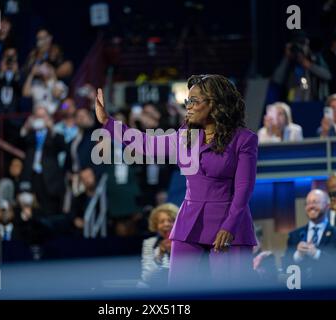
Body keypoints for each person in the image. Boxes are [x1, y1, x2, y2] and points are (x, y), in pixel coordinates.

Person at [95, 74, 258, 286]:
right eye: (187, 101)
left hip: (230, 223)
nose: (188, 106)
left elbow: (244, 188)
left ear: (215, 104)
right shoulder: (185, 136)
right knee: (179, 290)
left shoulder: (244, 139)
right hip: (190, 222)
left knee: (231, 291)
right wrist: (108, 123)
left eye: (194, 101)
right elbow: (145, 144)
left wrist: (229, 226)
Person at [284, 189, 336, 283]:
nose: (311, 206)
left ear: (327, 206)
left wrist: (316, 254)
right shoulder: (294, 236)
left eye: (315, 202)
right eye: (308, 203)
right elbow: (284, 266)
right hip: (301, 292)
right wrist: (297, 255)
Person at [20, 106, 66, 216]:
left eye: (43, 116)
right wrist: (26, 127)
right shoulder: (30, 134)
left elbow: (62, 146)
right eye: (37, 116)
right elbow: (19, 142)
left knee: (50, 210)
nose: (40, 119)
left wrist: (52, 128)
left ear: (49, 118)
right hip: (32, 176)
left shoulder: (54, 134)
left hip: (50, 178)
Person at [272, 33, 331, 102]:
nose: (301, 48)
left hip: (314, 102)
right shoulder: (289, 62)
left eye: (304, 44)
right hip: (294, 102)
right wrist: (287, 57)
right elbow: (277, 80)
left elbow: (328, 76)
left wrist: (308, 65)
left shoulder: (316, 59)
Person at [138, 203, 178, 288]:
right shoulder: (149, 243)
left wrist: (173, 252)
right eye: (162, 221)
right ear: (156, 225)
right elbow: (148, 277)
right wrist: (160, 254)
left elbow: (185, 274)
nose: (166, 224)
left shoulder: (184, 244)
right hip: (151, 288)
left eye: (170, 220)